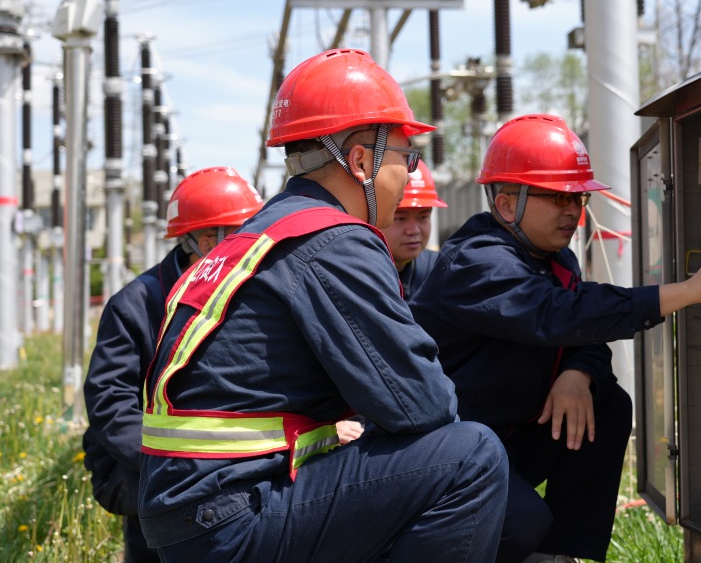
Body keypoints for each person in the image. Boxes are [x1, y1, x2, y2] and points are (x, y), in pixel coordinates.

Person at [137, 48, 509, 563]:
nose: (408, 176)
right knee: (473, 456)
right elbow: (422, 404)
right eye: (407, 157)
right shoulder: (333, 239)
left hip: (190, 513)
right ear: (361, 161)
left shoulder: (255, 238)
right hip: (230, 520)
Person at [408, 114, 701, 563]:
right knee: (521, 522)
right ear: (508, 204)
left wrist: (577, 372)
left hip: (502, 439)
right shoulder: (477, 263)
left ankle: (559, 556)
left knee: (608, 405)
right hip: (447, 451)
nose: (573, 211)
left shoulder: (555, 258)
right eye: (557, 197)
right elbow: (558, 314)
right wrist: (687, 291)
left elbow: (582, 330)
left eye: (578, 197)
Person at [82, 166, 264, 563]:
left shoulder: (245, 296)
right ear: (202, 241)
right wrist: (178, 460)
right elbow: (111, 405)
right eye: (240, 238)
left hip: (223, 464)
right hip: (145, 467)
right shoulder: (137, 305)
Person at [380, 159, 447, 300]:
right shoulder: (360, 274)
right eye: (400, 218)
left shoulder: (439, 269)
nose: (414, 230)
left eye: (423, 217)